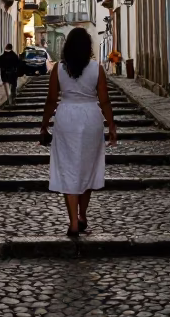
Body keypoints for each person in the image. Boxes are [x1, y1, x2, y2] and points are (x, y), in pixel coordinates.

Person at [40, 27, 118, 238]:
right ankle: (83, 215)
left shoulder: (58, 69)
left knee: (68, 168)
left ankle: (73, 221)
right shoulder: (97, 69)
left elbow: (51, 100)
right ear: (87, 47)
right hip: (91, 118)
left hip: (66, 118)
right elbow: (104, 100)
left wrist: (44, 124)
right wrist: (111, 125)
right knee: (87, 167)